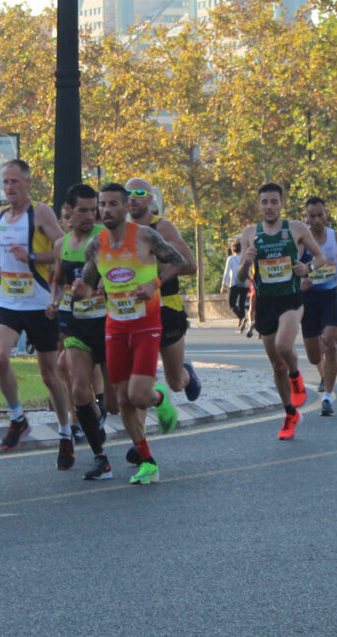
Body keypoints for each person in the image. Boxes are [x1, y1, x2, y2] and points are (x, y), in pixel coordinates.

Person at [74, 183, 189, 485]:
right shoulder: (96, 245)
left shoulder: (147, 237)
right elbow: (87, 284)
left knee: (139, 395)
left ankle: (160, 398)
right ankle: (148, 461)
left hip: (146, 325)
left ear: (126, 208)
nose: (107, 210)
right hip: (115, 327)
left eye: (113, 204)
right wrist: (80, 291)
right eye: (103, 204)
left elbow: (181, 262)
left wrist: (155, 284)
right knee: (122, 402)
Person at [0, 159, 74, 469]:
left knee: (50, 377)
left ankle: (65, 432)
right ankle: (17, 417)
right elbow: (2, 256)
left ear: (27, 183)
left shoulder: (40, 213)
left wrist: (34, 256)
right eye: (6, 182)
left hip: (39, 303)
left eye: (15, 182)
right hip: (8, 301)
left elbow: (64, 246)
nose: (10, 187)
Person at [237, 182, 326, 440]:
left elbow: (320, 258)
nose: (269, 207)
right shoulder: (250, 233)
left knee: (284, 347)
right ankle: (290, 414)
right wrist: (247, 261)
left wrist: (307, 269)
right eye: (264, 202)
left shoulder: (296, 228)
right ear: (259, 204)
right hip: (265, 303)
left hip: (291, 298)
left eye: (274, 201)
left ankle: (296, 377)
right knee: (276, 365)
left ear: (281, 204)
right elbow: (242, 275)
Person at [47, 183, 113, 480]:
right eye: (83, 210)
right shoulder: (62, 245)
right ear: (69, 212)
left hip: (110, 323)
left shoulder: (108, 238)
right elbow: (61, 280)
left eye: (93, 209)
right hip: (78, 326)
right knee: (78, 390)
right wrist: (55, 301)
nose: (90, 216)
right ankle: (101, 458)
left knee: (115, 401)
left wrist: (104, 286)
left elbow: (128, 274)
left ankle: (156, 396)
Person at [124, 178, 202, 402]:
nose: (132, 197)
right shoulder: (121, 231)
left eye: (139, 192)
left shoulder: (162, 227)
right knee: (130, 373)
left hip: (166, 307)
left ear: (150, 198)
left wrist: (157, 277)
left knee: (176, 382)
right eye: (127, 193)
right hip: (134, 310)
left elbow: (190, 264)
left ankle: (187, 373)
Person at [299, 196, 337, 416]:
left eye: (320, 215)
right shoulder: (300, 241)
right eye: (312, 216)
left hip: (329, 296)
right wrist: (299, 282)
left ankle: (327, 398)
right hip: (307, 300)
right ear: (306, 217)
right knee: (314, 356)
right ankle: (322, 371)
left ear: (326, 214)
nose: (316, 220)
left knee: (331, 344)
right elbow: (289, 269)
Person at [221, 240, 250, 333]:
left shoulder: (231, 259)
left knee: (232, 305)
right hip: (245, 283)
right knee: (241, 304)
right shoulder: (245, 258)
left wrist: (223, 285)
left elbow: (226, 272)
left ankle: (242, 318)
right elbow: (249, 270)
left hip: (234, 284)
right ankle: (241, 325)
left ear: (233, 249)